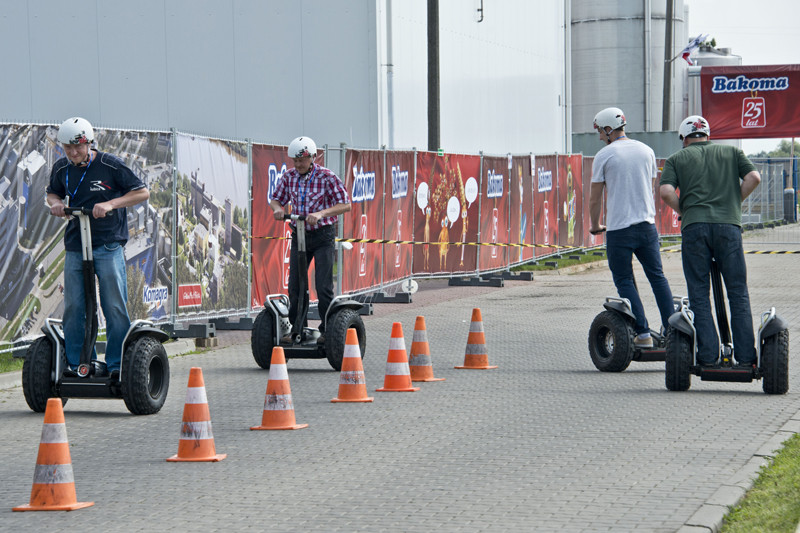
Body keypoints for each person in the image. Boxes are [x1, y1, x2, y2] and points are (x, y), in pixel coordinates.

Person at [46, 117, 150, 379]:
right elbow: (52, 193)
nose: (72, 153)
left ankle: (116, 365)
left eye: (77, 147)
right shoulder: (62, 168)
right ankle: (79, 365)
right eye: (67, 147)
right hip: (76, 244)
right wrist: (55, 203)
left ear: (89, 143)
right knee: (74, 307)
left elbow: (142, 192)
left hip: (107, 243)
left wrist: (111, 204)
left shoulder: (109, 164)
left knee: (113, 305)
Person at [659, 115, 761, 367]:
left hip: (695, 228)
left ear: (684, 138)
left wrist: (686, 209)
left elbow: (665, 191)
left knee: (699, 293)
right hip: (729, 227)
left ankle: (707, 356)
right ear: (707, 134)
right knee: (737, 291)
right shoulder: (731, 152)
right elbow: (754, 178)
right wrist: (733, 202)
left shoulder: (676, 159)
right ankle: (746, 357)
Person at [589, 107, 675, 348]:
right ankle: (672, 332)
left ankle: (643, 333)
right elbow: (650, 186)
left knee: (624, 279)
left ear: (608, 130)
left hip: (619, 229)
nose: (598, 137)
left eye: (599, 131)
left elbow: (595, 197)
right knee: (658, 278)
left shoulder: (605, 155)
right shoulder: (647, 151)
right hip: (647, 226)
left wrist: (595, 225)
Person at [270, 136, 351, 344]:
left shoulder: (326, 177)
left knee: (323, 286)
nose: (298, 165)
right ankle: (298, 329)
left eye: (302, 160)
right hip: (300, 234)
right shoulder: (289, 177)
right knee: (296, 285)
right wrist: (278, 209)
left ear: (312, 157)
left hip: (322, 235)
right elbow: (276, 199)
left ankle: (327, 331)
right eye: (295, 161)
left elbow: (345, 204)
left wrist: (322, 214)